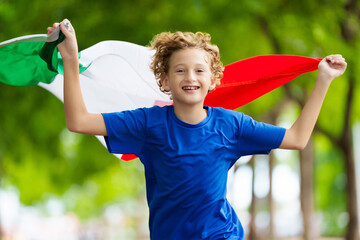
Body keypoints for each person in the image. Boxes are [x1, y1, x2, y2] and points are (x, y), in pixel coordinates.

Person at [47, 19, 347, 240]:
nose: (190, 77)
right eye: (180, 70)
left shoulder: (231, 125)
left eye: (199, 70)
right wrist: (71, 59)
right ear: (164, 80)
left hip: (222, 234)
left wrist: (324, 80)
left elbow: (296, 138)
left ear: (213, 79)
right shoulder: (146, 123)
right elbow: (79, 121)